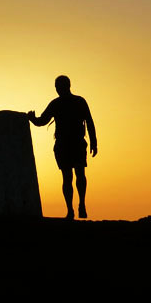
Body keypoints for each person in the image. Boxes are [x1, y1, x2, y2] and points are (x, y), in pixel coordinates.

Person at [28, 75, 97, 219]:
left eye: (59, 86)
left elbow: (89, 122)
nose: (58, 89)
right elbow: (42, 121)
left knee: (76, 175)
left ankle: (79, 206)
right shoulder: (62, 103)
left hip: (73, 143)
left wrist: (94, 142)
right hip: (67, 144)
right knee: (70, 176)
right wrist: (33, 119)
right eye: (57, 87)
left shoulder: (74, 102)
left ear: (67, 86)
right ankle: (72, 209)